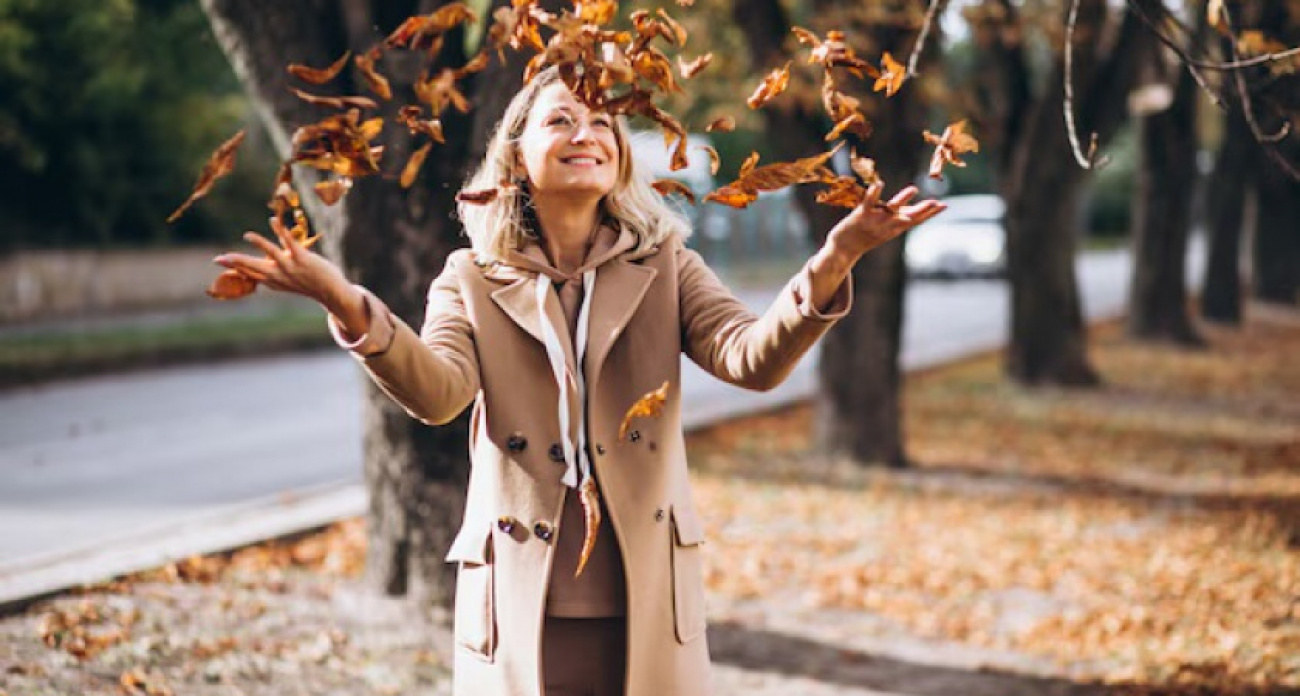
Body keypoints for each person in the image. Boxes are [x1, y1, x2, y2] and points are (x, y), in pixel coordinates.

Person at [214, 66, 945, 696]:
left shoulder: (667, 265)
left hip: (644, 588)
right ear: (516, 156)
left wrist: (834, 259)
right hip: (523, 595)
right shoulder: (469, 278)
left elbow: (751, 359)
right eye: (560, 119)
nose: (585, 133)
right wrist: (345, 301)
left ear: (621, 158)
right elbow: (439, 393)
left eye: (601, 122)